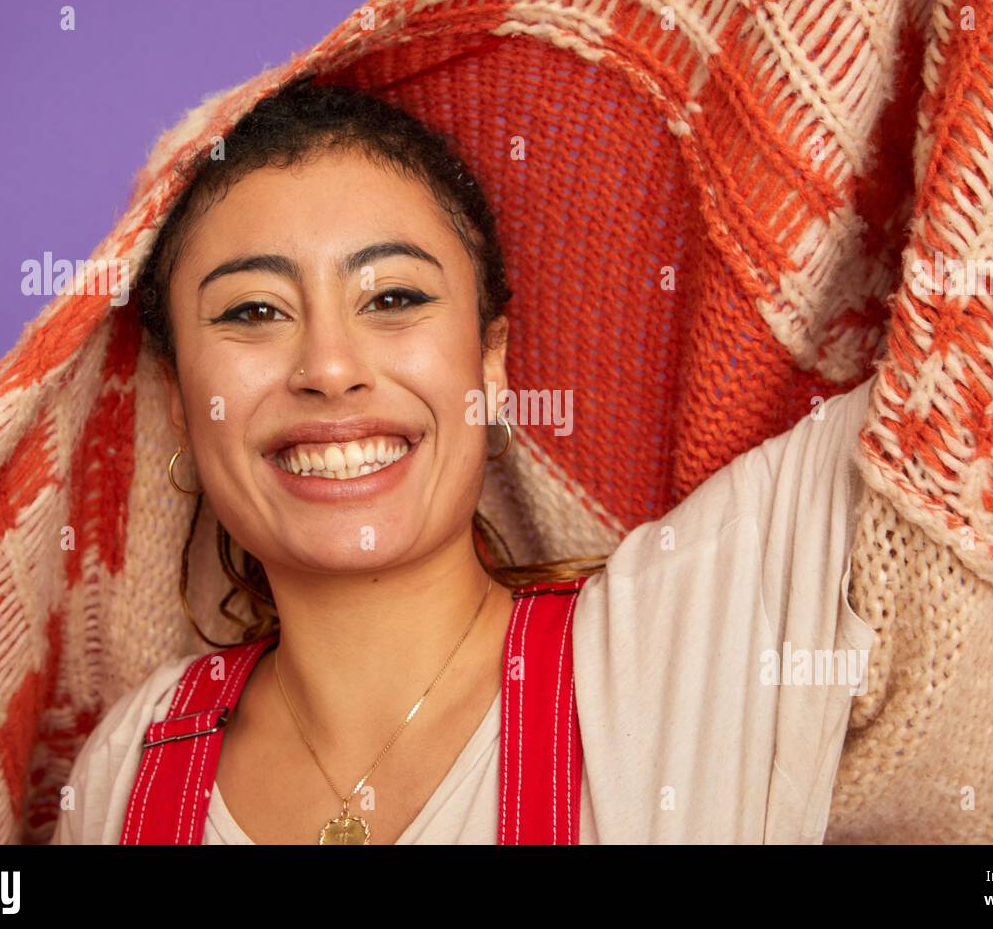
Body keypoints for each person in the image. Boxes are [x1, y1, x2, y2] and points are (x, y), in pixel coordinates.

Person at [49, 81, 876, 845]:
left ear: (489, 365)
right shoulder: (127, 773)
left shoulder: (701, 631)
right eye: (255, 310)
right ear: (181, 401)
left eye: (394, 298)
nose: (330, 367)